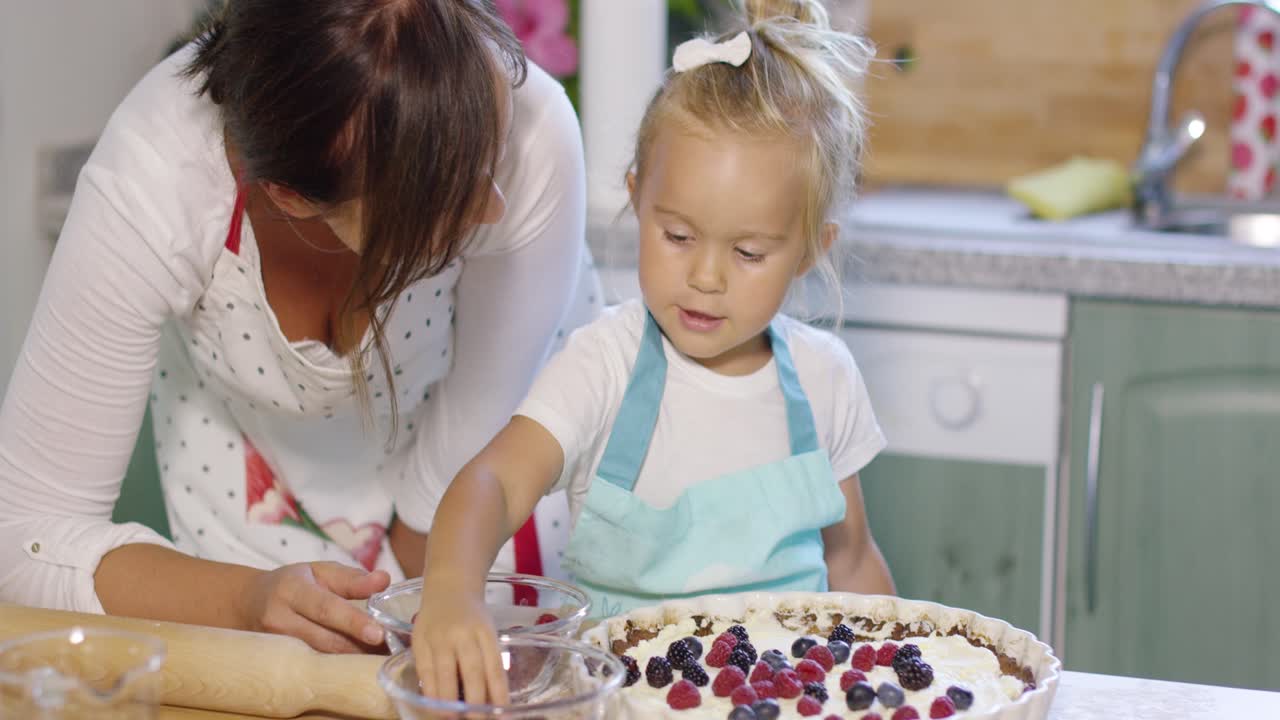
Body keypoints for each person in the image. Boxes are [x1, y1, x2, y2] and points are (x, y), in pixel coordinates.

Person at [0, 0, 600, 655]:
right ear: (290, 195)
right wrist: (249, 600)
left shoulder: (536, 130)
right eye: (442, 199)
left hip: (469, 516)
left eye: (493, 152)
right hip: (248, 517)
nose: (495, 208)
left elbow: (458, 475)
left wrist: (397, 620)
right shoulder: (157, 175)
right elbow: (23, 536)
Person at [411, 0, 896, 704]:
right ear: (638, 200)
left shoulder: (826, 380)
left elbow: (851, 560)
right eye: (677, 236)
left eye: (749, 252)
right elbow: (491, 484)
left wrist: (890, 676)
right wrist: (452, 592)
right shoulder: (602, 362)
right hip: (622, 701)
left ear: (809, 250)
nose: (706, 276)